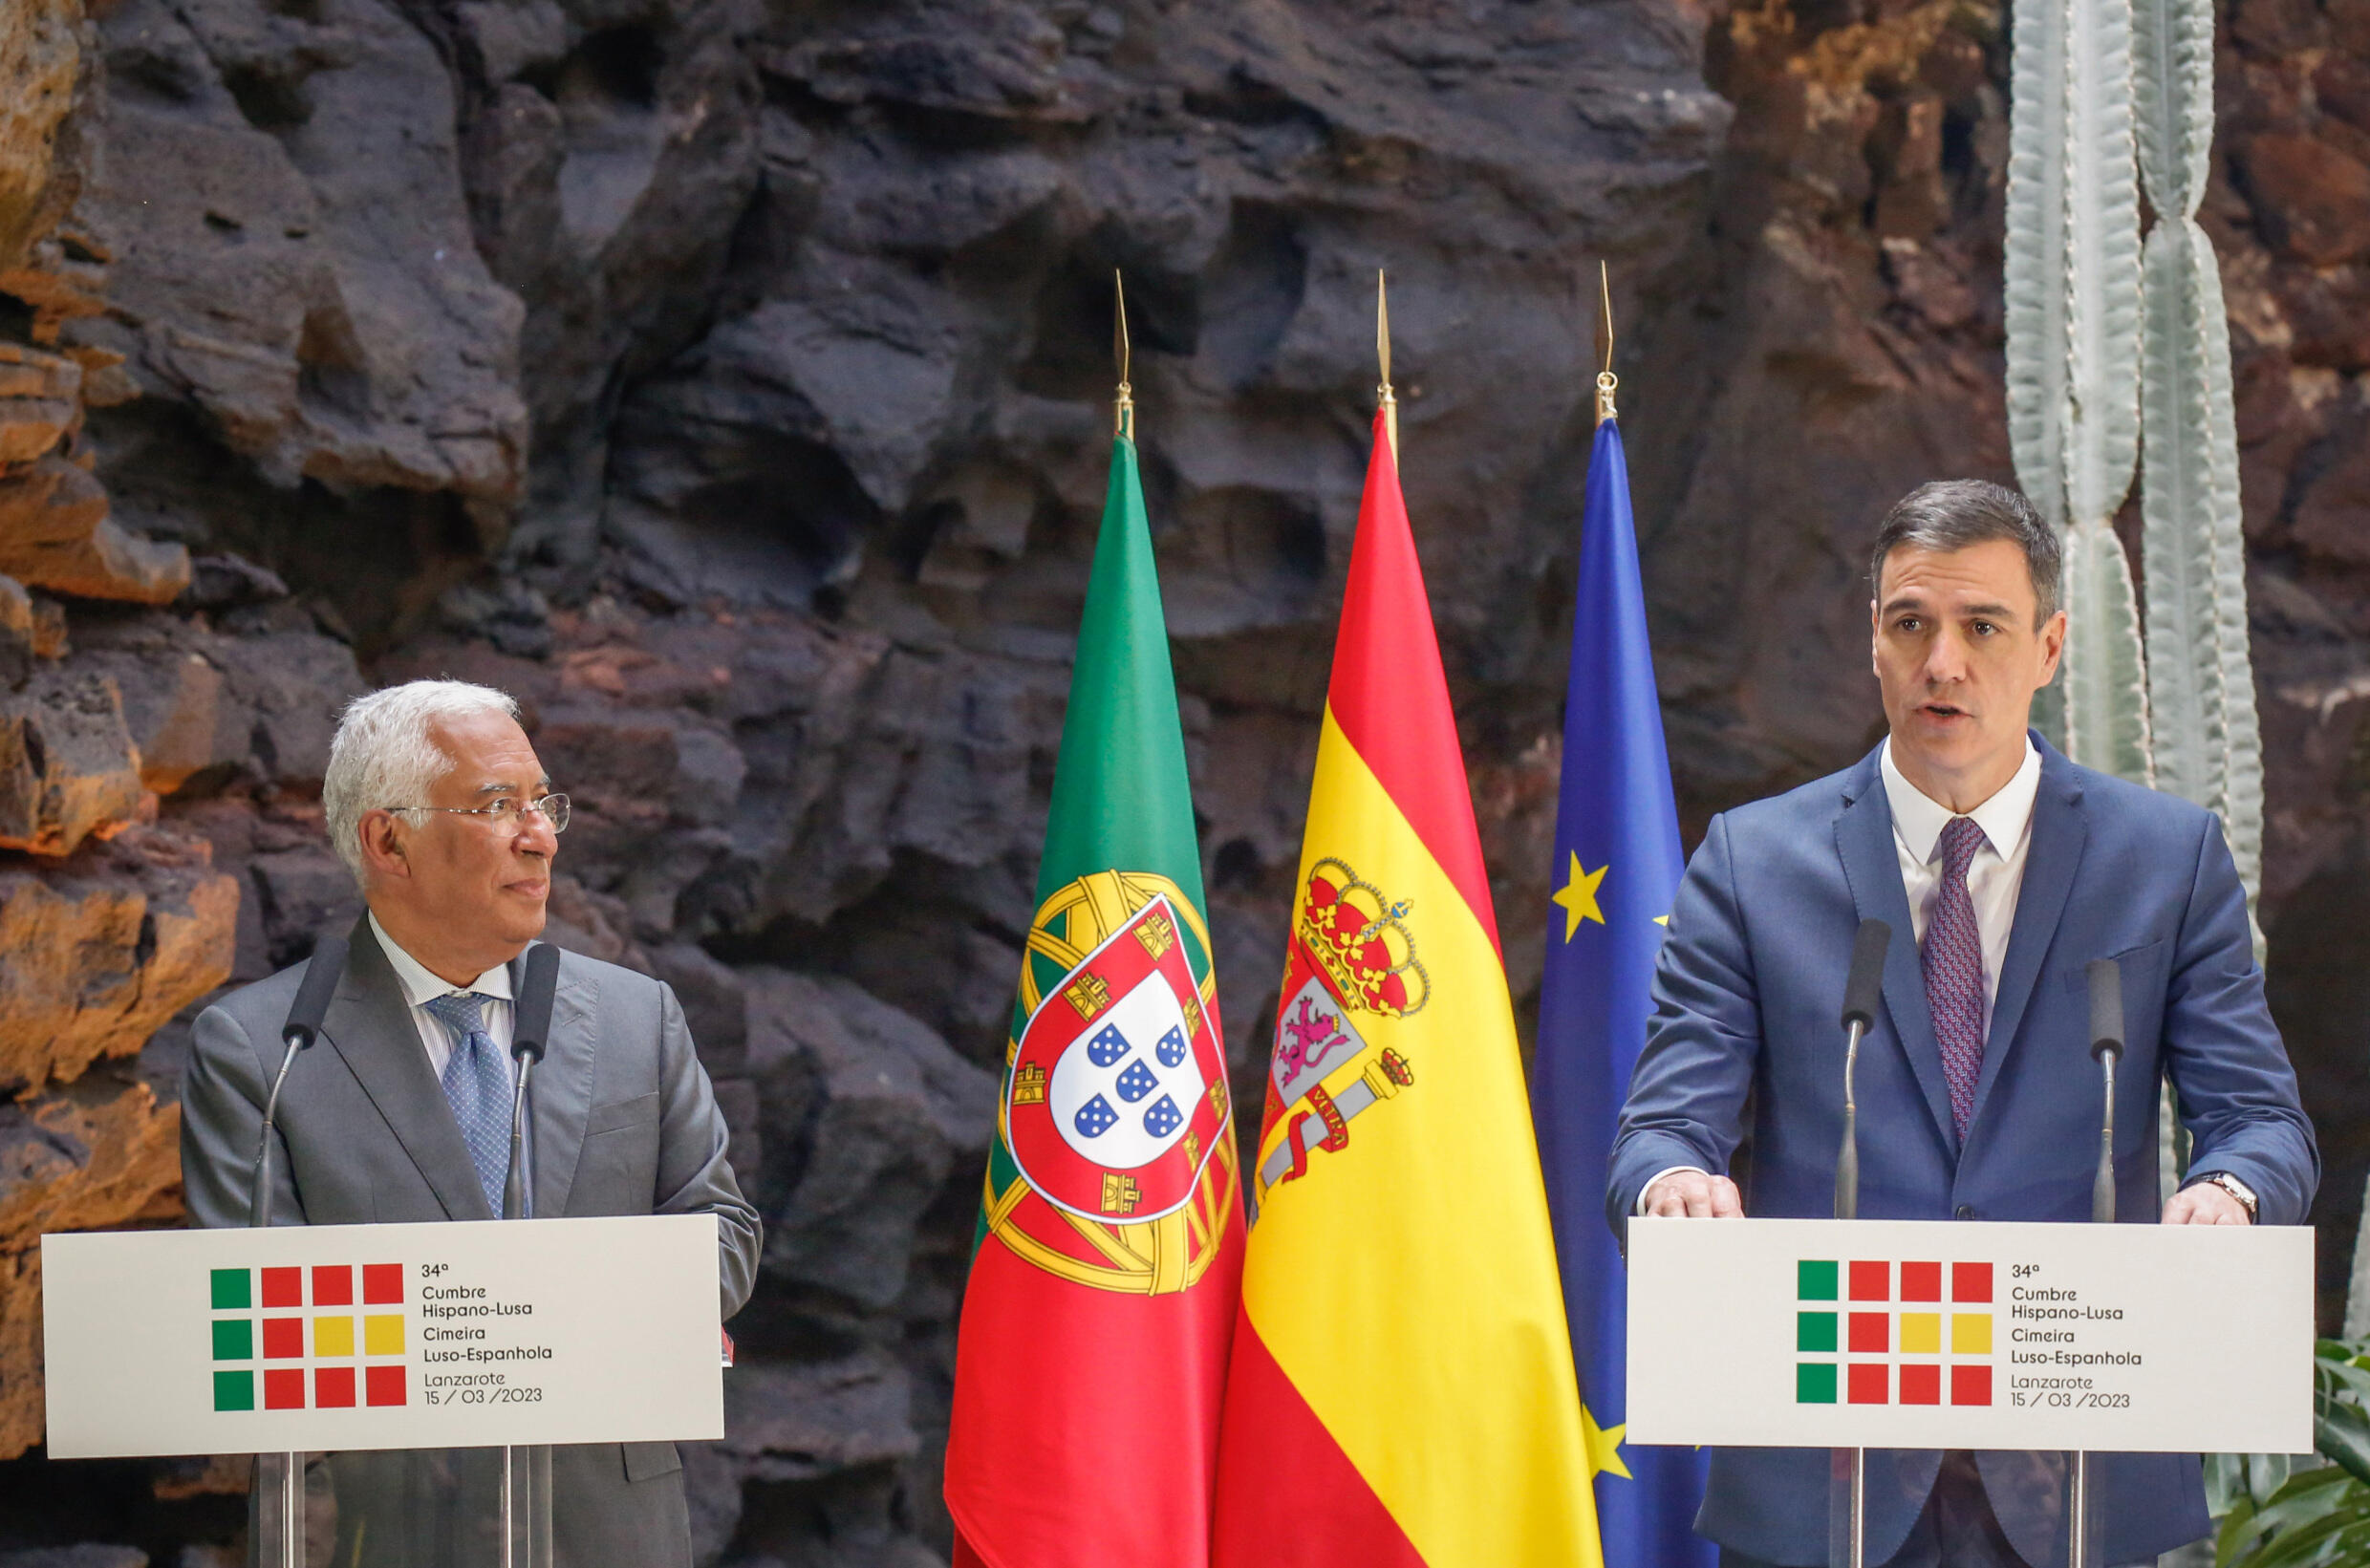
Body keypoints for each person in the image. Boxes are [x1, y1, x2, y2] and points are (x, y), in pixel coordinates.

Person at [1606, 481, 2317, 1568]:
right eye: (1909, 625)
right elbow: (1658, 1131)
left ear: (2046, 647)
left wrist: (2227, 1193)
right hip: (1825, 1478)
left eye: (1980, 626)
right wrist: (1672, 1189)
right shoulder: (1753, 862)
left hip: (2073, 1471)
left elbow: (2262, 1122)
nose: (1942, 662)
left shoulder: (2163, 862)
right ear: (1875, 648)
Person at [182, 679, 762, 1568]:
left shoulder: (635, 1017)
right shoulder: (265, 1047)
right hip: (377, 1531)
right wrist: (521, 1331)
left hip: (608, 1532)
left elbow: (720, 1229)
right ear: (389, 841)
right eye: (499, 805)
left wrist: (628, 1304)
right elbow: (258, 1312)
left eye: (543, 802)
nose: (541, 834)